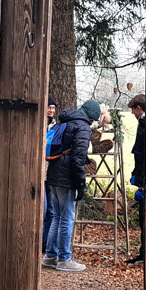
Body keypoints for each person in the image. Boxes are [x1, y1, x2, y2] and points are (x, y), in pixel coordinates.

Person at [42, 99, 101, 272]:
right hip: (65, 178)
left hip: (53, 175)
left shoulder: (64, 123)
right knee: (66, 218)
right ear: (91, 117)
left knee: (57, 217)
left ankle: (50, 256)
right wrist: (80, 184)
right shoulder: (82, 127)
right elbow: (77, 158)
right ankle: (64, 259)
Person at [126, 94, 146, 264]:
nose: (133, 114)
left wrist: (140, 179)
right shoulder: (145, 122)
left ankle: (144, 254)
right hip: (142, 175)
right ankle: (143, 253)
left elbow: (142, 154)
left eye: (133, 110)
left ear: (138, 108)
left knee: (145, 216)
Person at [42, 95, 57, 253]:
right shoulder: (38, 125)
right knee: (43, 210)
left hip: (51, 174)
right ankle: (39, 240)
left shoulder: (55, 126)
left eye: (53, 108)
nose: (51, 110)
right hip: (40, 174)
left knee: (51, 210)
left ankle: (46, 243)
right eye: (49, 107)